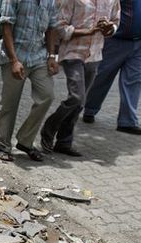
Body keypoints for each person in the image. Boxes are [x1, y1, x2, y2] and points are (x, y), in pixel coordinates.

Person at [40, 0, 120, 156]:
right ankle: (48, 130)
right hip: (73, 52)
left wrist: (110, 28)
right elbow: (60, 26)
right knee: (76, 97)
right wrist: (87, 31)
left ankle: (64, 142)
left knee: (80, 103)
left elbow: (116, 22)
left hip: (95, 54)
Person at [82, 0, 141, 135]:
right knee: (102, 78)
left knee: (135, 81)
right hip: (116, 41)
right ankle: (89, 109)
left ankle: (127, 122)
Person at [0, 0, 60, 162]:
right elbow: (6, 26)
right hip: (15, 57)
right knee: (9, 103)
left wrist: (52, 56)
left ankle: (25, 141)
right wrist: (14, 60)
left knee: (47, 95)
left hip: (39, 57)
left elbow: (51, 28)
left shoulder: (49, 2)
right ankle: (3, 145)